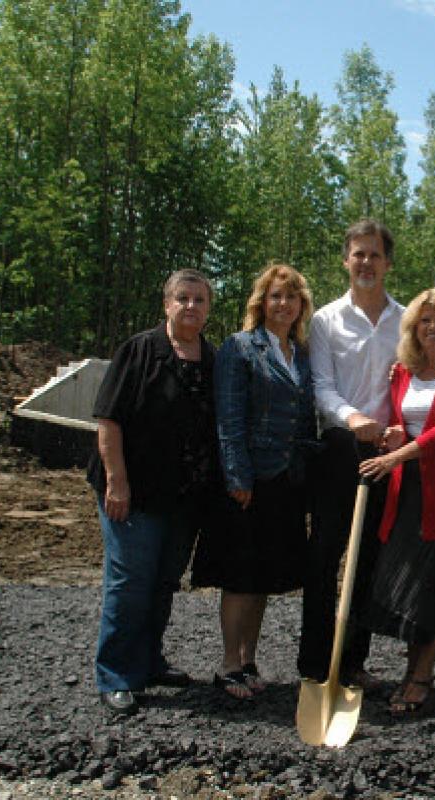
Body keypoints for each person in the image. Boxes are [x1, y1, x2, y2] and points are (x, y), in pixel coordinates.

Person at [88, 269, 220, 717]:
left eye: (199, 300)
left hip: (184, 496)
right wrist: (116, 480)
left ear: (208, 309)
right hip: (132, 491)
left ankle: (148, 661)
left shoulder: (212, 360)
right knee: (130, 581)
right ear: (166, 304)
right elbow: (108, 420)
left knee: (164, 581)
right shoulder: (139, 352)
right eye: (182, 298)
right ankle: (117, 674)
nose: (191, 306)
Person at [193, 264, 316, 699]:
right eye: (275, 296)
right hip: (248, 481)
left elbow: (305, 422)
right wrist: (238, 476)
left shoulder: (301, 353)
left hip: (286, 482)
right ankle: (228, 664)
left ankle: (248, 659)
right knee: (240, 576)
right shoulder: (241, 348)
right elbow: (229, 419)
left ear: (302, 305)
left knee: (263, 577)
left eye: (291, 297)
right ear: (260, 303)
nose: (283, 304)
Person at [357, 288, 435, 713]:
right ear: (413, 327)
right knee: (408, 583)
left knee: (433, 585)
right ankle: (411, 671)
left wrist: (396, 455)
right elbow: (401, 421)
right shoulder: (402, 372)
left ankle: (421, 676)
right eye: (425, 321)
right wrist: (395, 436)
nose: (433, 328)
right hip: (406, 495)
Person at [299, 219, 403, 687]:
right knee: (324, 557)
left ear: (388, 262)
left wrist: (400, 430)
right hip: (339, 448)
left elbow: (416, 381)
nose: (366, 263)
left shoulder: (406, 320)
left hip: (386, 455)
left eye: (374, 254)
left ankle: (353, 662)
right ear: (346, 260)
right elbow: (320, 386)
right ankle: (316, 663)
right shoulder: (325, 320)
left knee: (370, 561)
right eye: (358, 254)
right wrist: (352, 418)